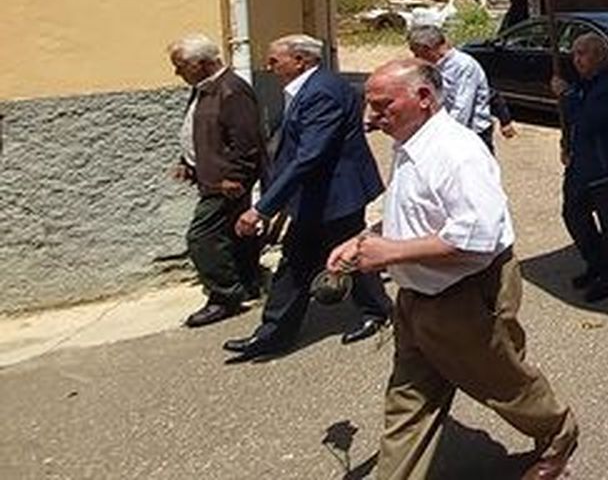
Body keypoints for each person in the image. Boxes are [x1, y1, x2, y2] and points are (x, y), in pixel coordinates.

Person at [330, 59, 578, 480]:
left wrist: (389, 254)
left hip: (465, 298)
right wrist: (364, 239)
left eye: (381, 105)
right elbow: (414, 213)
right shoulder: (411, 143)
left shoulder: (456, 152)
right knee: (408, 402)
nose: (370, 117)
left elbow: (476, 237)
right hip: (415, 298)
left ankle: (557, 432)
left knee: (504, 385)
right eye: (369, 106)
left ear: (423, 98)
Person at [225, 35, 390, 360]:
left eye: (275, 60)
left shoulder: (321, 92)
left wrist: (262, 208)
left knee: (320, 257)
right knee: (317, 258)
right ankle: (278, 333)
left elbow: (310, 155)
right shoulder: (314, 86)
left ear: (301, 60)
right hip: (322, 193)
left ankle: (279, 333)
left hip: (335, 192)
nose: (268, 67)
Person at [168, 34, 264, 328]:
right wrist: (189, 162)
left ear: (203, 63)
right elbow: (206, 130)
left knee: (202, 237)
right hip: (211, 176)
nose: (177, 72)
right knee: (234, 233)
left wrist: (234, 176)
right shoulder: (204, 88)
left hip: (225, 182)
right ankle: (248, 282)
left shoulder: (232, 90)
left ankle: (224, 297)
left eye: (181, 65)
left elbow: (247, 142)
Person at [554, 32, 608, 302]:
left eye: (583, 54)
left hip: (607, 170)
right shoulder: (584, 83)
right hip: (580, 165)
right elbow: (573, 123)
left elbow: (588, 121)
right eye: (574, 54)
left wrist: (566, 95)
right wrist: (566, 143)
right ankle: (596, 262)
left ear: (600, 56)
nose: (577, 60)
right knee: (573, 214)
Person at [406, 24, 494, 151]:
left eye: (417, 53)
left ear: (427, 48)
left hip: (470, 132)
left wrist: (447, 135)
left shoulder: (464, 65)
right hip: (446, 128)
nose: (416, 58)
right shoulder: (434, 66)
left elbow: (462, 108)